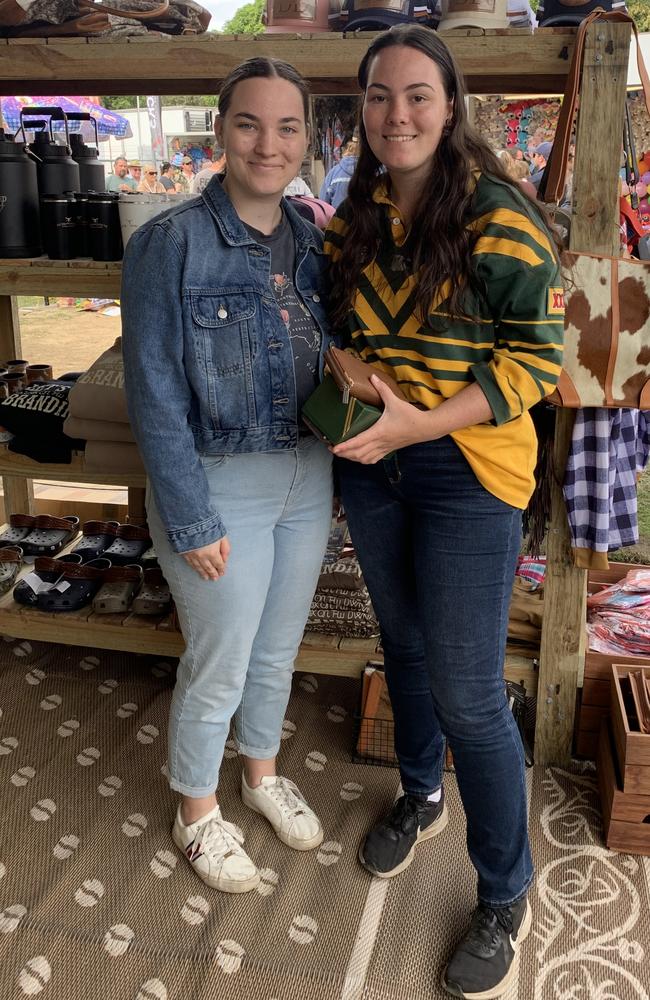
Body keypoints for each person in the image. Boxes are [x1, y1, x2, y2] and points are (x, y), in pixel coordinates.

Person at [324, 25, 563, 999]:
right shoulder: (353, 219)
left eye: (417, 95)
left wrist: (421, 420)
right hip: (375, 465)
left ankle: (504, 888)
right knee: (405, 645)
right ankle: (418, 792)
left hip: (468, 466)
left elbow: (532, 359)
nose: (397, 114)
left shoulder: (496, 220)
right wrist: (342, 363)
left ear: (450, 106)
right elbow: (337, 324)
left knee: (468, 687)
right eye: (379, 96)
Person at [121, 56, 334, 895]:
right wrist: (190, 514)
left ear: (307, 139)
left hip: (305, 477)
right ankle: (198, 810)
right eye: (250, 123)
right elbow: (154, 393)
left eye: (287, 127)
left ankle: (260, 773)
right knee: (222, 655)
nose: (268, 143)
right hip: (218, 482)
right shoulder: (169, 244)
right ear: (220, 131)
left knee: (276, 649)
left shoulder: (316, 240)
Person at [320, 134, 359, 208]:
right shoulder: (374, 172)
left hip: (337, 218)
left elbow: (323, 204)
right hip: (365, 218)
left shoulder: (333, 173)